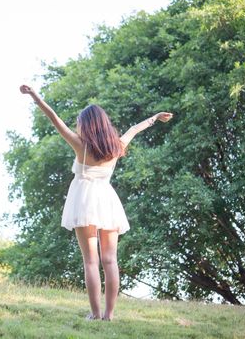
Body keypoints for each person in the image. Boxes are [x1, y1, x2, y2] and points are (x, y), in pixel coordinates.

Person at [19, 84, 173, 321]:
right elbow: (134, 128)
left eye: (80, 123)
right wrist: (155, 117)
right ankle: (109, 315)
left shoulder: (81, 145)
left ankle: (95, 313)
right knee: (110, 260)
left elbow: (54, 118)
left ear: (87, 125)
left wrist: (35, 96)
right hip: (107, 200)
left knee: (91, 260)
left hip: (84, 201)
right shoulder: (116, 147)